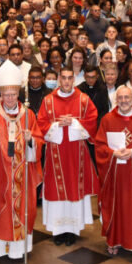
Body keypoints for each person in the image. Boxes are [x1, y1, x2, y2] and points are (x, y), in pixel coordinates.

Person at [0, 61, 44, 260]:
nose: (10, 98)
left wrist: (31, 141)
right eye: (6, 95)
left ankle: (19, 249)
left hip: (23, 177)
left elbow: (38, 140)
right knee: (0, 208)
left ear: (18, 94)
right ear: (0, 95)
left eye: (13, 94)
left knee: (25, 209)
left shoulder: (28, 114)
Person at [37, 66, 99, 245]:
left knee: (74, 188)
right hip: (55, 152)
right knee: (56, 189)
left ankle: (72, 230)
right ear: (58, 79)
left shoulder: (84, 100)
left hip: (76, 154)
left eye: (69, 78)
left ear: (74, 80)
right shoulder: (48, 101)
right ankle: (58, 230)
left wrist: (73, 123)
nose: (66, 81)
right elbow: (40, 123)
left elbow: (92, 122)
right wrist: (57, 126)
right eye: (63, 78)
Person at [94, 85, 132, 257]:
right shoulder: (107, 120)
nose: (123, 101)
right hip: (114, 173)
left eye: (126, 98)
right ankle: (113, 240)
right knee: (114, 205)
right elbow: (99, 146)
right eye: (120, 98)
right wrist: (112, 153)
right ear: (116, 100)